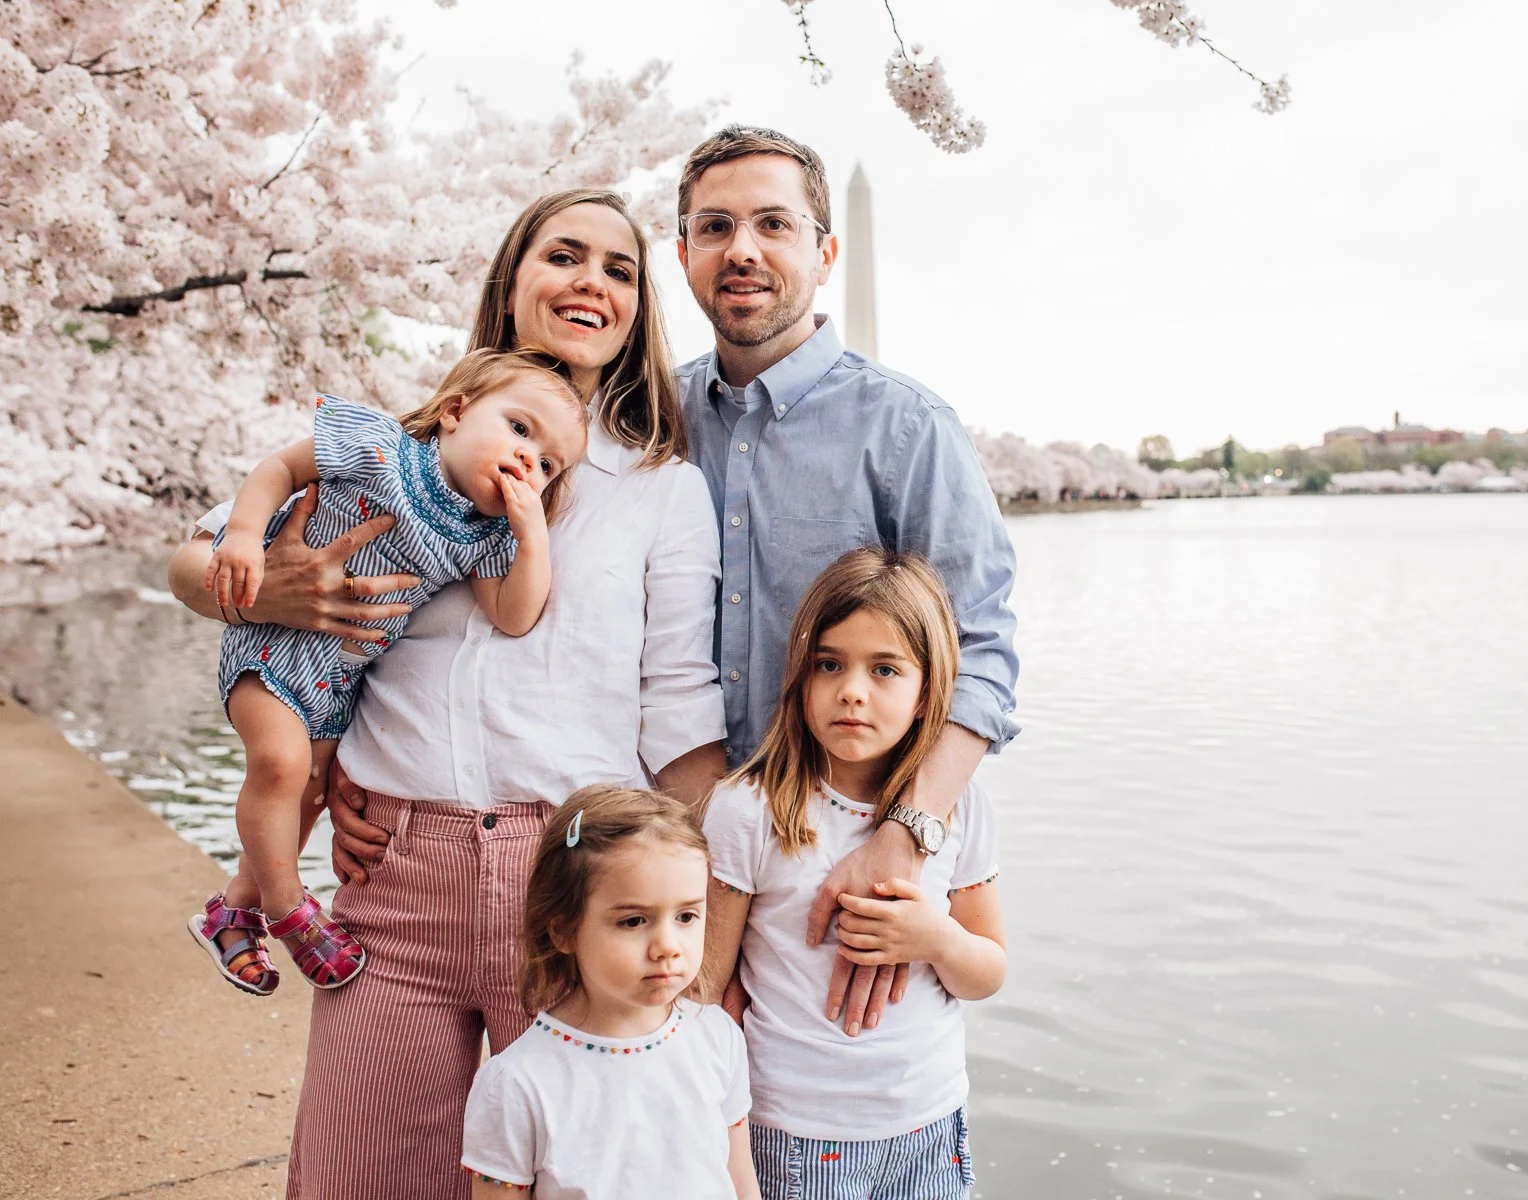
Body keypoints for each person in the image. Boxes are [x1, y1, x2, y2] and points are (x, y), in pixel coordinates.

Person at [167, 188, 727, 1200]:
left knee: (573, 1178)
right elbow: (197, 555)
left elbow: (680, 711)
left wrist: (702, 924)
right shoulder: (413, 442)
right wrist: (259, 582)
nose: (590, 281)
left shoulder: (661, 488)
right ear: (513, 280)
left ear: (641, 311)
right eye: (564, 255)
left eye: (619, 268)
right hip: (395, 873)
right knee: (356, 1178)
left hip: (570, 885)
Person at [674, 126, 1019, 1036]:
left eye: (772, 224)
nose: (741, 249)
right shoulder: (649, 422)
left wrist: (905, 838)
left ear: (825, 253)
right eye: (714, 227)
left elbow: (980, 654)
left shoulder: (908, 429)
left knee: (850, 1127)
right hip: (672, 865)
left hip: (844, 864)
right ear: (683, 256)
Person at [189, 349, 588, 996]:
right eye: (519, 429)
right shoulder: (380, 449)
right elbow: (282, 467)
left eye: (547, 464)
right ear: (456, 413)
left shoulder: (485, 537)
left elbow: (513, 616)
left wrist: (532, 536)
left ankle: (233, 910)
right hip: (276, 641)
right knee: (282, 767)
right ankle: (291, 910)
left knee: (311, 791)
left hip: (338, 679)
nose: (528, 460)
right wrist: (239, 532)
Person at [700, 548, 1005, 1198]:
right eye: (829, 664)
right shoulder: (749, 810)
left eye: (886, 669)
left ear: (930, 694)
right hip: (793, 1130)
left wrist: (938, 940)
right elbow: (705, 990)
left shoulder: (959, 805)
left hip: (930, 1120)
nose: (852, 690)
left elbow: (988, 970)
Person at [462, 785, 759, 1199]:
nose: (668, 946)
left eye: (687, 915)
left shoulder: (718, 1039)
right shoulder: (517, 1084)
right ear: (563, 930)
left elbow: (740, 1182)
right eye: (634, 921)